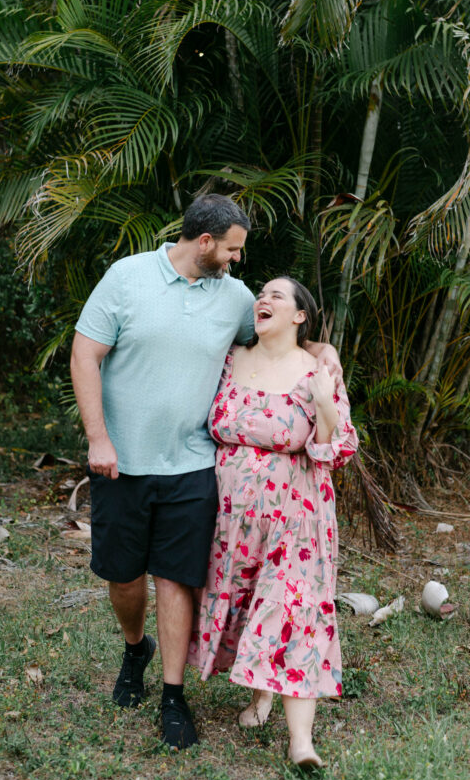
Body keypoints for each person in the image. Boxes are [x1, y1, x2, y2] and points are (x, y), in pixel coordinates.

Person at [70, 196, 340, 751]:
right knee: (123, 577)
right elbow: (83, 353)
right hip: (121, 460)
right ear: (206, 243)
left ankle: (173, 695)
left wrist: (324, 348)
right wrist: (99, 437)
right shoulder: (127, 277)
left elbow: (282, 335)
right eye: (234, 249)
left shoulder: (236, 298)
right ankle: (133, 647)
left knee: (175, 578)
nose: (240, 261)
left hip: (194, 465)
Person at [188, 276, 359, 769]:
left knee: (293, 609)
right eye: (260, 294)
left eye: (275, 295)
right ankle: (261, 694)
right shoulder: (229, 359)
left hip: (296, 518)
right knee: (248, 603)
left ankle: (301, 742)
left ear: (300, 315)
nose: (262, 299)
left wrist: (326, 402)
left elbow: (338, 449)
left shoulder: (316, 371)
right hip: (229, 517)